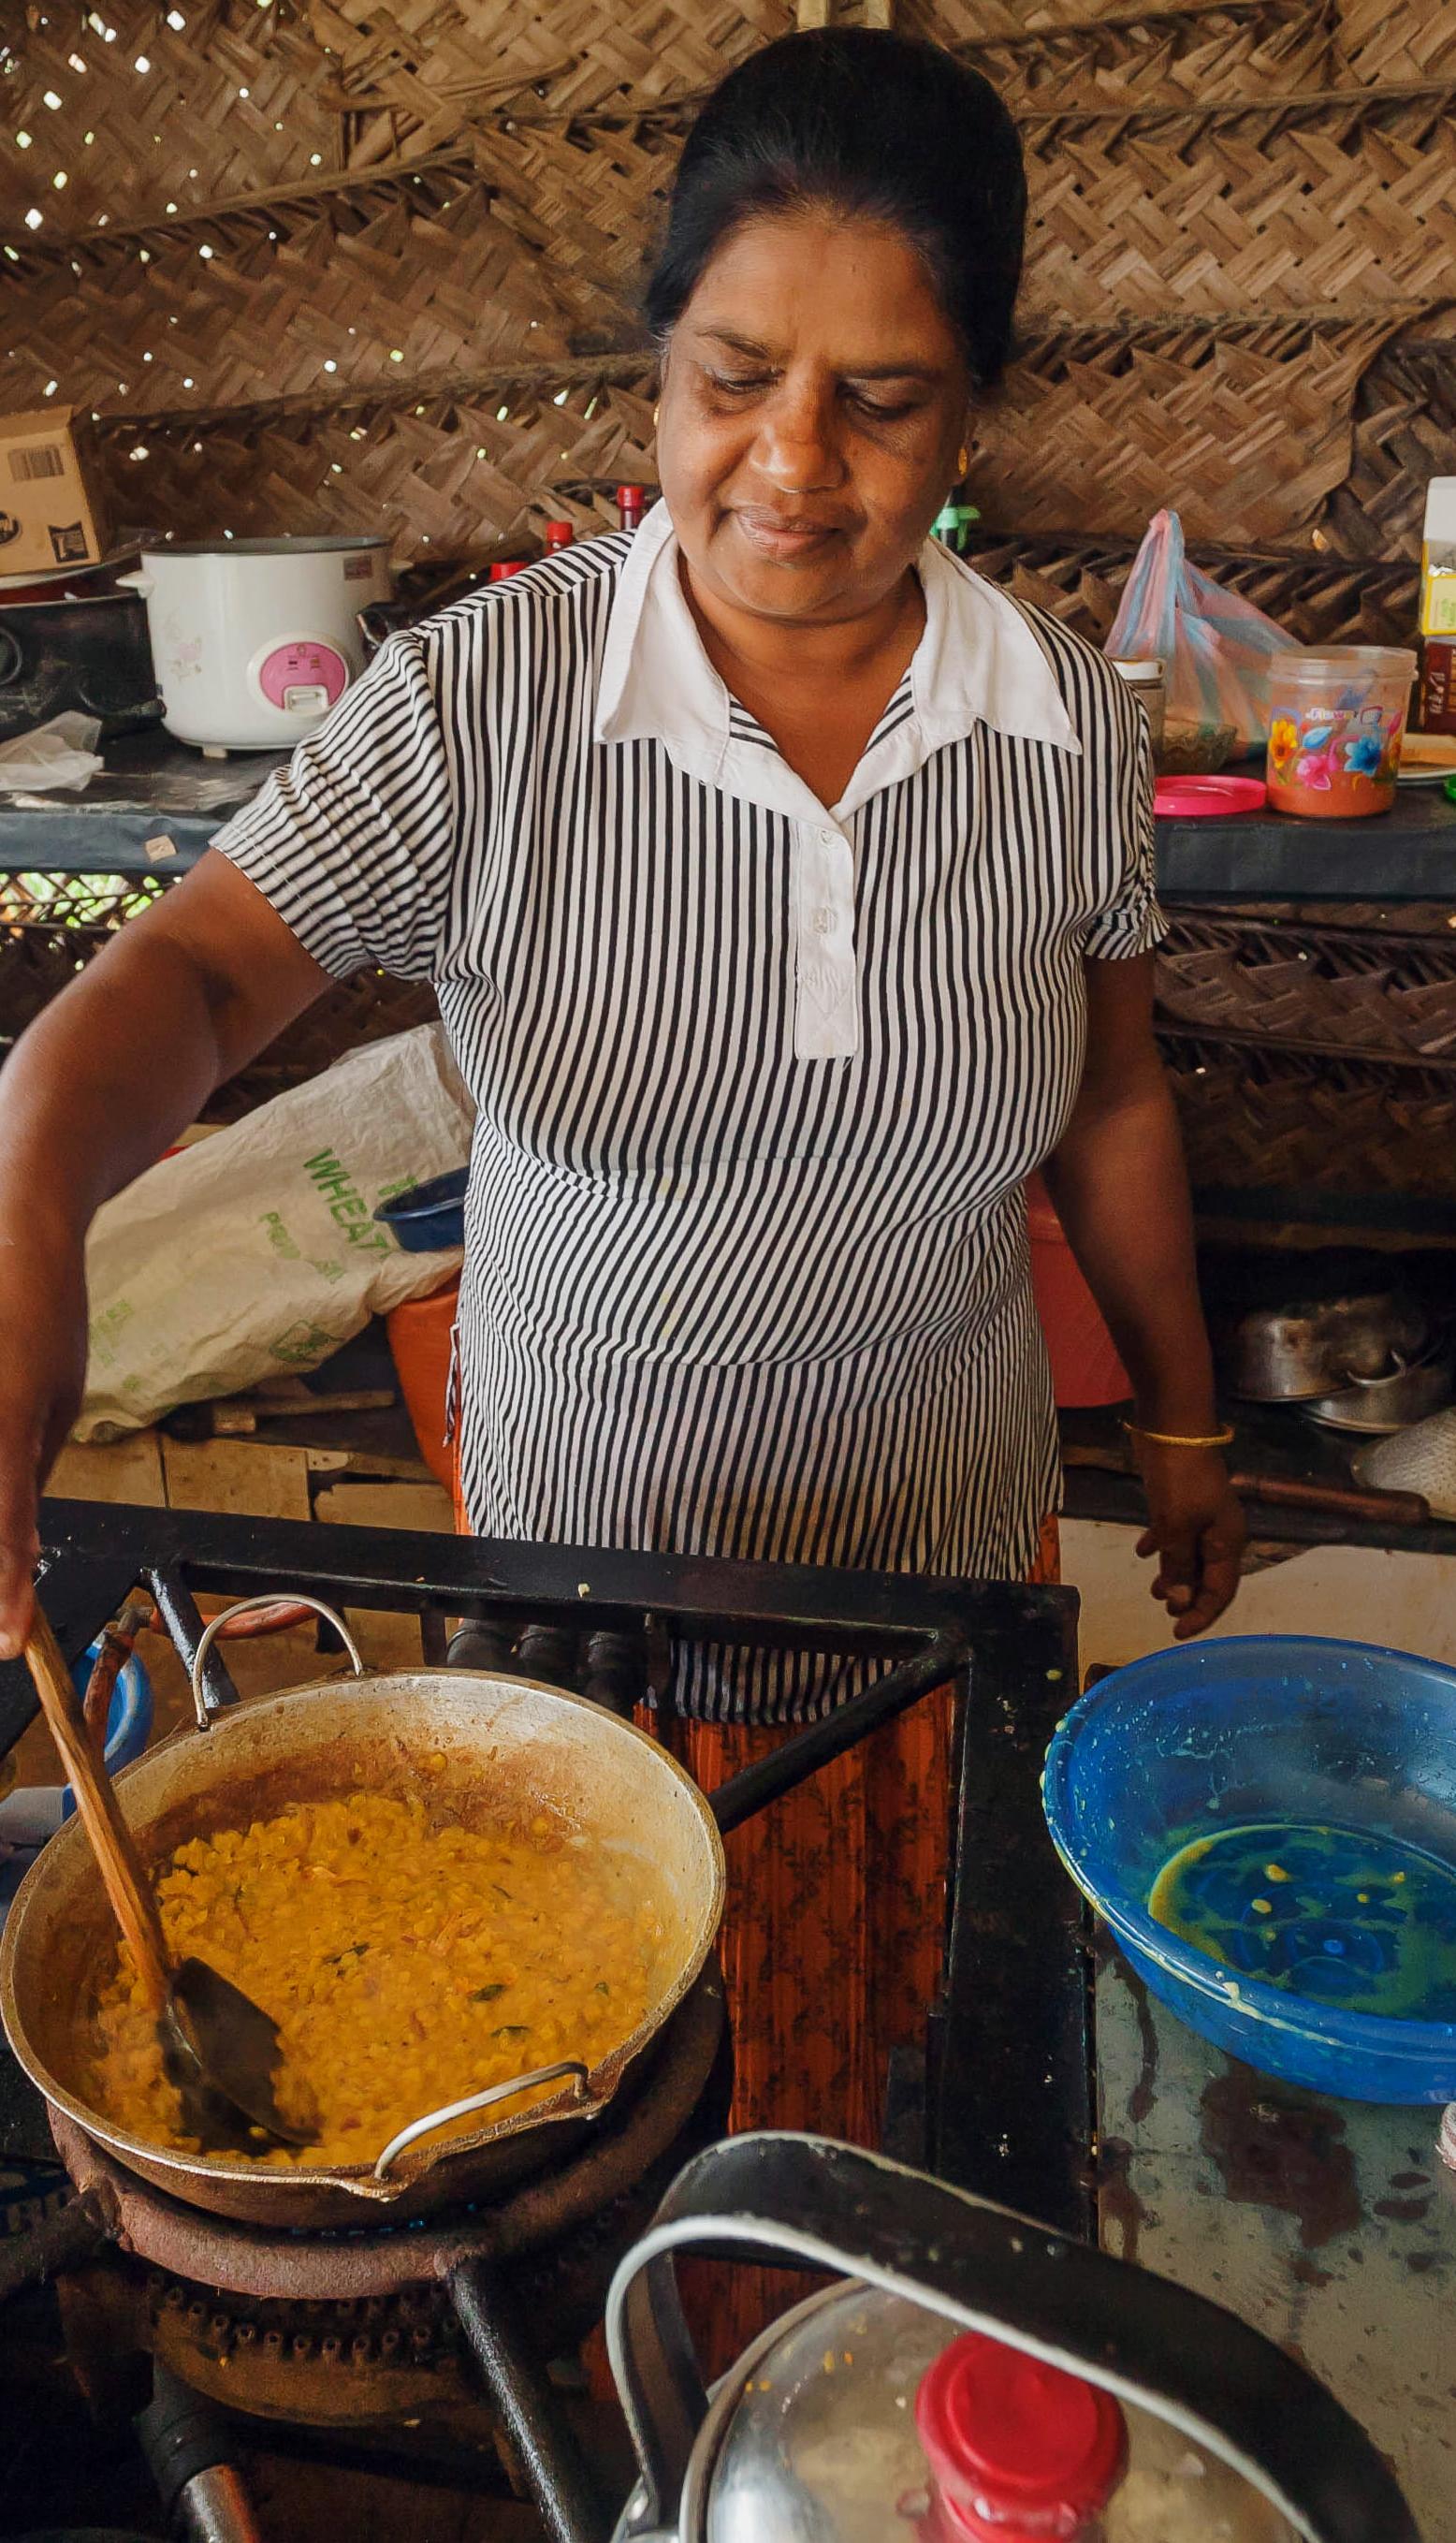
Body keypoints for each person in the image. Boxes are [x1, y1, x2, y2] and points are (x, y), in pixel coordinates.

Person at [0, 25, 1241, 2249]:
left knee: (869, 2075)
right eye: (731, 377)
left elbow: (1114, 1088)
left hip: (927, 1562)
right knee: (553, 2088)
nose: (792, 461)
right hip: (588, 1563)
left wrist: (1179, 1424)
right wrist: (26, 1180)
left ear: (971, 414)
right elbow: (185, 978)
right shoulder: (482, 706)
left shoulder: (1062, 720)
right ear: (657, 370)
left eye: (881, 399)